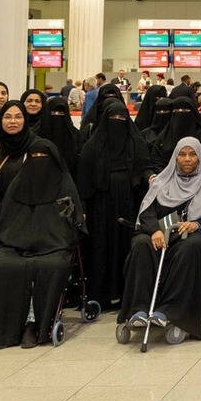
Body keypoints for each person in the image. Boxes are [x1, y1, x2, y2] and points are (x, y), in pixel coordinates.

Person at [118, 137, 201, 342]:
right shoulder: (162, 180)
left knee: (191, 246)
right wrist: (154, 231)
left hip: (193, 233)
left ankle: (171, 311)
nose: (187, 159)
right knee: (141, 244)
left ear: (199, 157)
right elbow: (147, 213)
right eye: (182, 154)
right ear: (175, 157)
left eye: (192, 154)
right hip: (162, 235)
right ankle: (139, 310)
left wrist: (198, 223)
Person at [0, 139, 84, 349]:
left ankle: (35, 324)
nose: (38, 163)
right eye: (34, 158)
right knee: (0, 264)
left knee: (51, 265)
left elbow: (74, 223)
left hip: (53, 246)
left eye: (43, 159)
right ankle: (4, 328)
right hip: (15, 245)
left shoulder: (64, 184)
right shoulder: (19, 184)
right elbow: (6, 222)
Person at [76, 99, 151, 307]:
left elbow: (143, 166)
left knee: (126, 245)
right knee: (101, 245)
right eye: (112, 118)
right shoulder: (93, 147)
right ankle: (100, 294)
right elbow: (84, 179)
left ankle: (125, 292)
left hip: (128, 203)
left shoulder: (135, 142)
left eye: (121, 118)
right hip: (101, 204)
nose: (117, 121)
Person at [150, 95, 201, 169]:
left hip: (198, 177)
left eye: (185, 111)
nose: (181, 113)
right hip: (167, 177)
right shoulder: (164, 136)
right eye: (177, 111)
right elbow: (156, 160)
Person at [0, 101, 34, 197]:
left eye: (18, 117)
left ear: (25, 119)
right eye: (7, 117)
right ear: (0, 119)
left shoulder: (36, 145)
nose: (13, 121)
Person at [37, 95, 81, 176]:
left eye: (61, 113)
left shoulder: (75, 135)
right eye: (54, 113)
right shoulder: (38, 134)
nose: (57, 115)